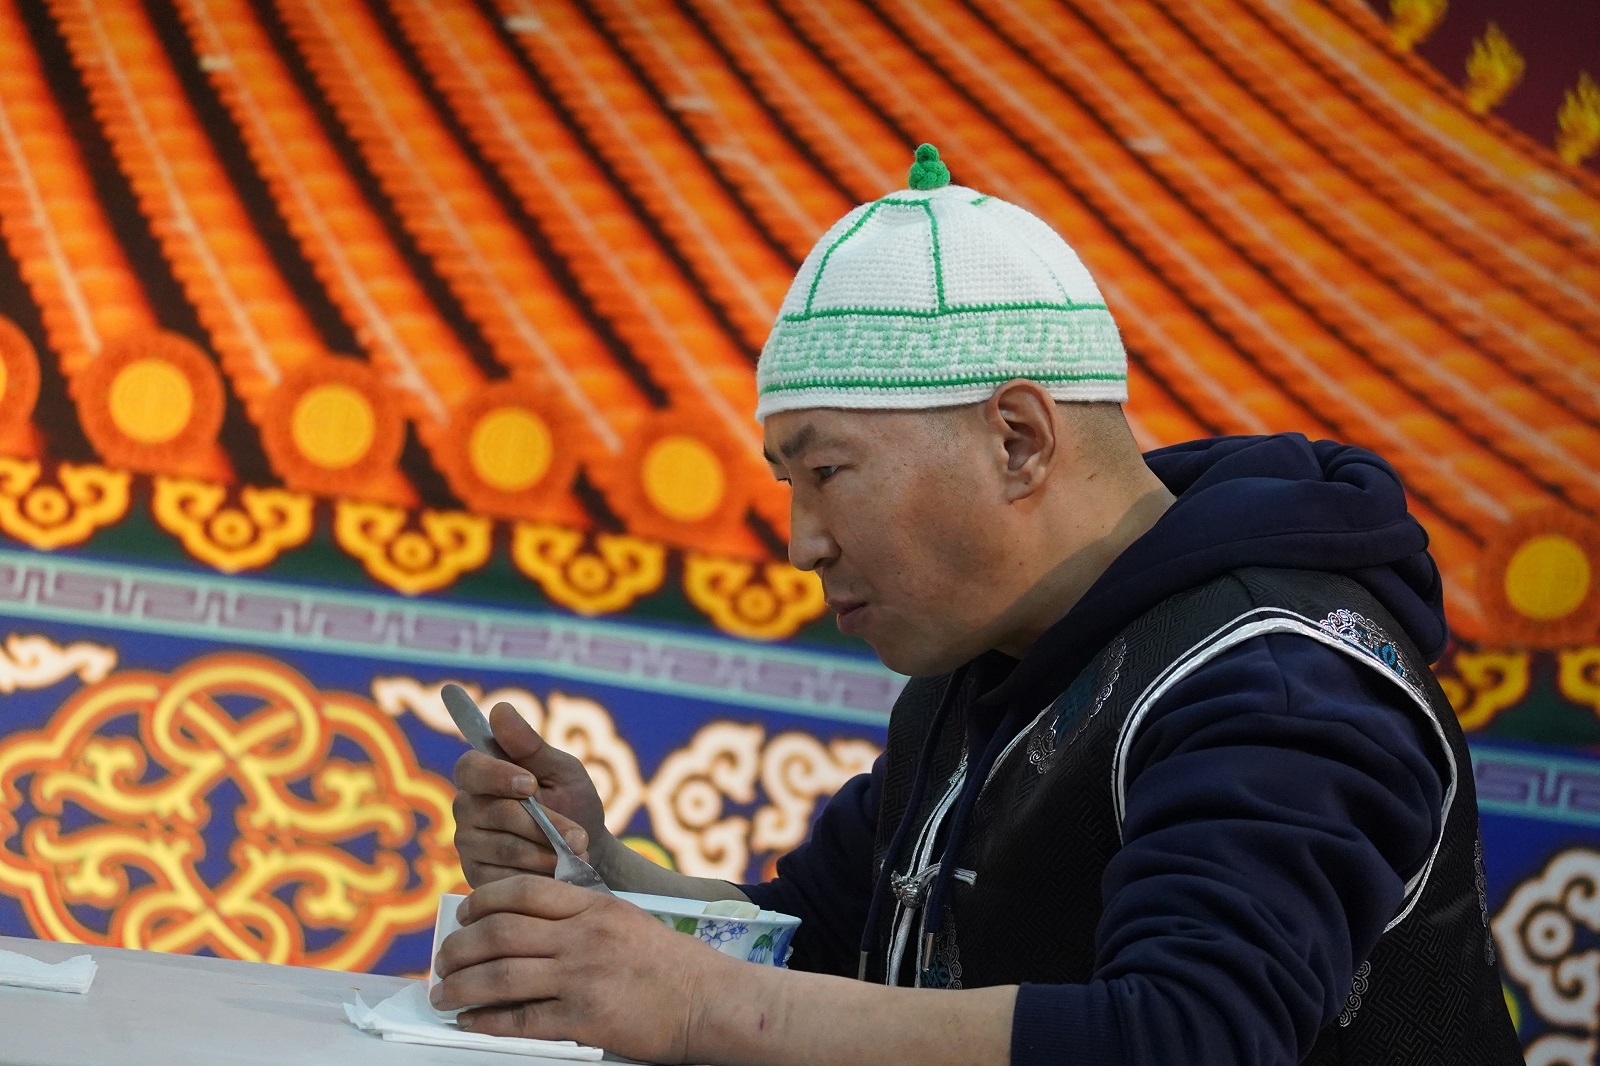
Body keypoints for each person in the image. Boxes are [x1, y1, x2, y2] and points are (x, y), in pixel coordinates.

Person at [433, 145, 1522, 1064]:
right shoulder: (987, 666)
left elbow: (1186, 1036)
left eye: (827, 472)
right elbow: (818, 946)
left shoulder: (1278, 676)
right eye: (789, 484)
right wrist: (599, 871)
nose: (804, 543)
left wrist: (698, 1007)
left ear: (1018, 439)